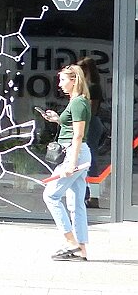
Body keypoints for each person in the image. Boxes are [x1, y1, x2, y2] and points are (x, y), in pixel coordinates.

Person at [40, 64, 93, 261]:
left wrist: (71, 163)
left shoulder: (78, 102)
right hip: (78, 153)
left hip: (73, 153)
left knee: (50, 196)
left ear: (74, 80)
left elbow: (78, 135)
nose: (60, 84)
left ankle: (71, 242)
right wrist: (57, 119)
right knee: (76, 203)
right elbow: (71, 128)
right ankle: (81, 250)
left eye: (63, 80)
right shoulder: (78, 101)